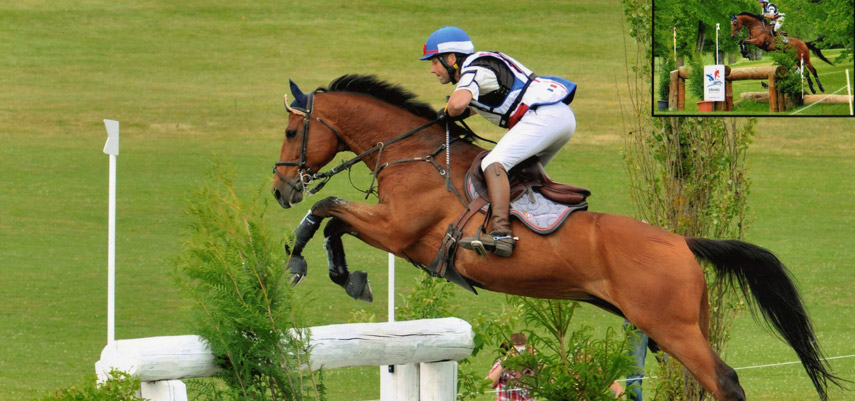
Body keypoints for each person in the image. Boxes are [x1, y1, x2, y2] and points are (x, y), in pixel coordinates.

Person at [420, 26, 578, 257]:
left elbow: (457, 105)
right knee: (519, 175)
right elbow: (476, 106)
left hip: (545, 116)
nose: (433, 69)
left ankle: (502, 234)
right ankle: (539, 226)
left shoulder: (474, 66)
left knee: (493, 164)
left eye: (434, 61)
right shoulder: (481, 66)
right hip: (557, 117)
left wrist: (448, 112)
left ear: (451, 58)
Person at [486, 333, 536, 401]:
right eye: (517, 349)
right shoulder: (502, 365)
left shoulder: (531, 366)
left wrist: (536, 359)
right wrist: (505, 361)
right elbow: (489, 384)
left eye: (522, 349)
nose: (519, 353)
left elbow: (551, 382)